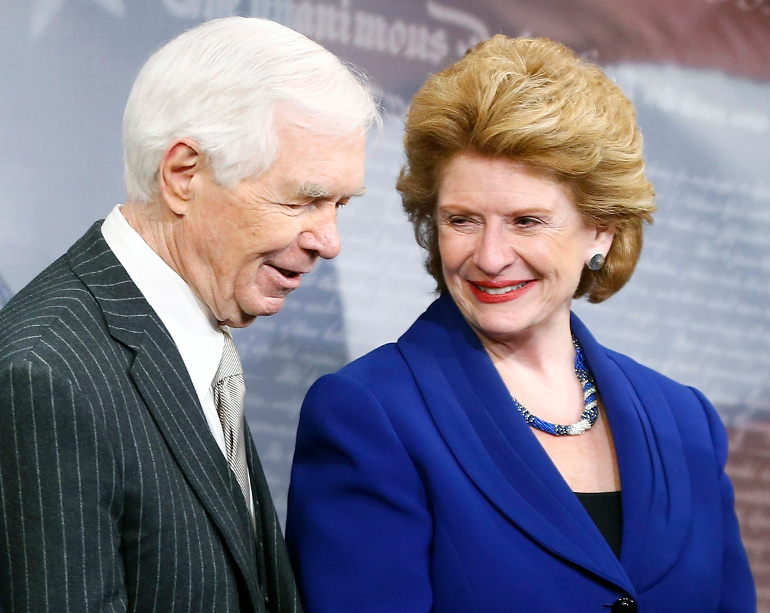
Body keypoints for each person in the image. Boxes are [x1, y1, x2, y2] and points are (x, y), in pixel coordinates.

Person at [285, 35, 755, 612]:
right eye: (462, 220)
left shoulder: (685, 422)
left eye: (526, 221)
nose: (489, 255)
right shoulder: (368, 412)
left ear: (601, 230)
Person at [0, 16, 378, 613]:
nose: (328, 242)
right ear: (183, 176)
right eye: (302, 199)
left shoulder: (195, 339)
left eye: (339, 205)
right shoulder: (46, 376)